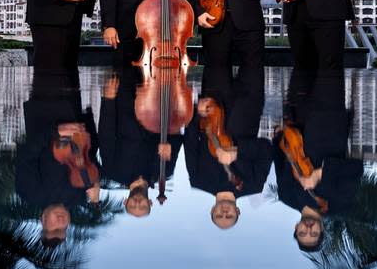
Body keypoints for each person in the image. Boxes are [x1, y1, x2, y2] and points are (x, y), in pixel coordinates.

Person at [274, 69, 362, 252]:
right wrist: (320, 174)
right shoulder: (340, 203)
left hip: (296, 119)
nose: (308, 229)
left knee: (301, 66)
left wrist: (278, 137)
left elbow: (280, 159)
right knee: (328, 66)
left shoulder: (286, 196)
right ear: (322, 229)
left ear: (295, 228)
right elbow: (356, 168)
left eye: (302, 233)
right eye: (313, 234)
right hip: (328, 120)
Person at [15, 71, 100, 248]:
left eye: (54, 228)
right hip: (74, 111)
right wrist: (96, 181)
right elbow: (89, 158)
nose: (61, 224)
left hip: (45, 109)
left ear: (43, 220)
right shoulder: (79, 198)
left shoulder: (29, 193)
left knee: (50, 63)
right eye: (63, 229)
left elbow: (26, 154)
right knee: (69, 65)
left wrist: (55, 131)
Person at [183, 66, 271, 230]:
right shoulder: (254, 185)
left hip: (213, 104)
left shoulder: (198, 180)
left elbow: (190, 142)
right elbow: (266, 150)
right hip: (249, 103)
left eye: (219, 215)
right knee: (252, 53)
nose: (224, 212)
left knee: (217, 49)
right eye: (229, 215)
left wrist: (197, 112)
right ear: (238, 211)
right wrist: (237, 152)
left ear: (212, 210)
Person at [97, 69, 184, 217]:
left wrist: (108, 100)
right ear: (150, 202)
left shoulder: (112, 172)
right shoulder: (163, 173)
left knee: (126, 60)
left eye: (132, 206)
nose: (137, 203)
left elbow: (107, 135)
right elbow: (176, 137)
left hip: (125, 105)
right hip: (156, 104)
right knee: (157, 67)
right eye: (142, 207)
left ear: (125, 202)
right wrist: (170, 145)